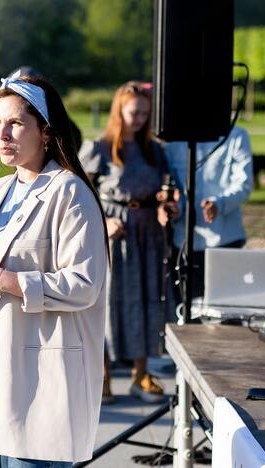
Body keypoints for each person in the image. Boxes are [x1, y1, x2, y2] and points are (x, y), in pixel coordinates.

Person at [0, 73, 108, 466]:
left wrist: (1, 280)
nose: (3, 133)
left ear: (46, 132)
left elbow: (84, 285)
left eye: (15, 122)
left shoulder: (71, 193)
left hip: (41, 381)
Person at [79, 81, 171, 405]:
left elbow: (164, 190)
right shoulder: (99, 148)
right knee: (110, 303)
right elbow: (77, 198)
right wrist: (102, 222)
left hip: (147, 236)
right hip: (114, 237)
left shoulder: (155, 150)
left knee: (147, 301)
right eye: (134, 112)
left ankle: (141, 374)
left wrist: (164, 206)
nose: (140, 119)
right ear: (120, 111)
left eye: (145, 113)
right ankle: (101, 374)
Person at [163, 126, 254, 300]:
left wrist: (219, 204)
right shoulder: (174, 139)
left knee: (227, 310)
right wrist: (175, 208)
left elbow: (244, 183)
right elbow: (171, 184)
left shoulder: (236, 135)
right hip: (184, 241)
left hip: (224, 239)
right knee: (188, 311)